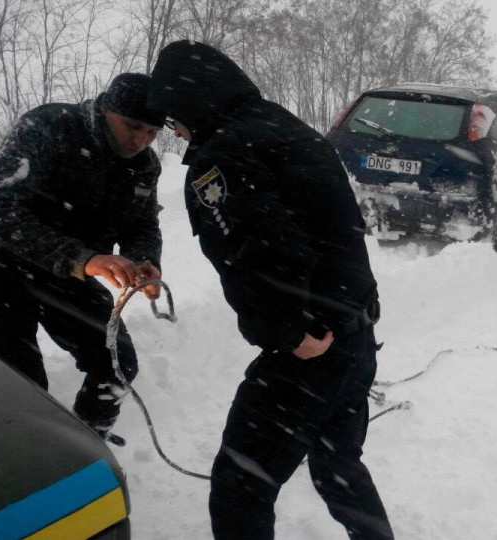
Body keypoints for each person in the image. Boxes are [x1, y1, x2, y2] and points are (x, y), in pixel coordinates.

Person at [148, 40, 394, 540]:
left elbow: (262, 251)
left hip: (311, 344)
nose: (174, 129)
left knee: (242, 482)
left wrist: (285, 332)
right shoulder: (287, 128)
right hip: (354, 330)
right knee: (337, 462)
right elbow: (331, 228)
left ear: (191, 103)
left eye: (174, 116)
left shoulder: (223, 154)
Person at [0, 73, 165, 443]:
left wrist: (143, 258)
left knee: (116, 364)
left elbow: (142, 224)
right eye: (133, 126)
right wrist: (82, 259)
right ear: (107, 108)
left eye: (151, 132)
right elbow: (2, 210)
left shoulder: (144, 165)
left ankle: (86, 444)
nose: (140, 140)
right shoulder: (49, 126)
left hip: (65, 271)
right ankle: (30, 470)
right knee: (23, 386)